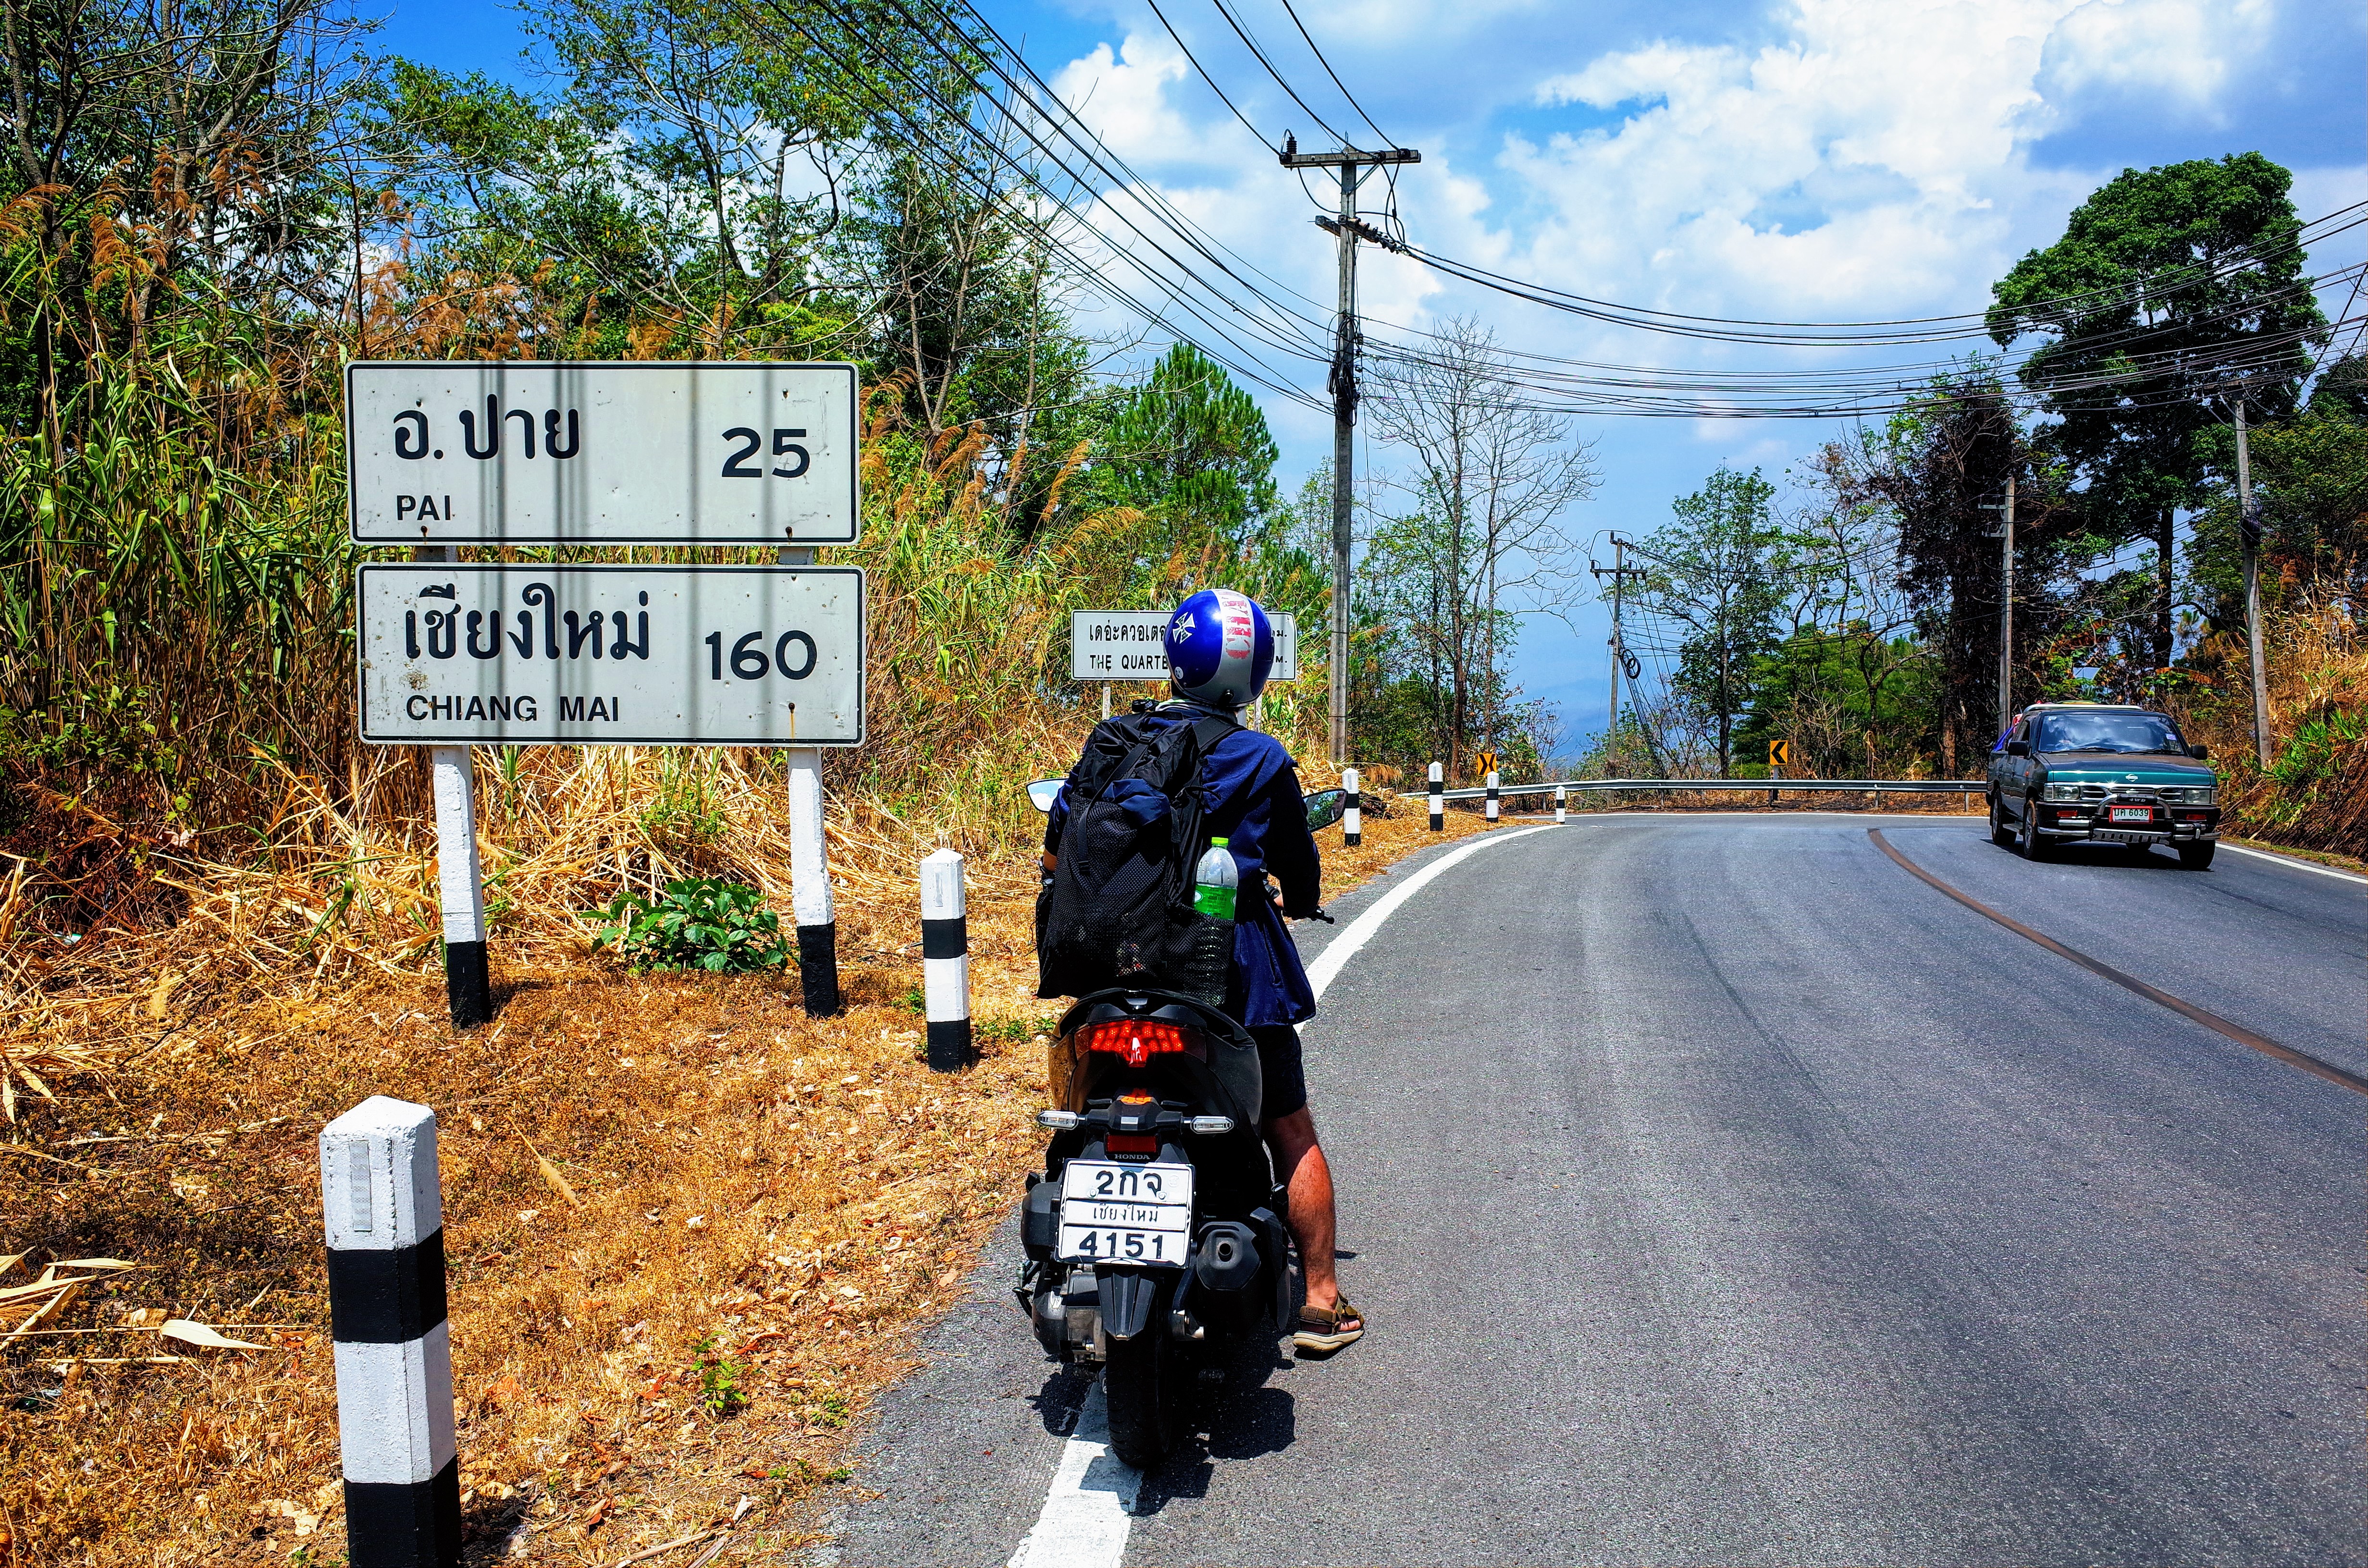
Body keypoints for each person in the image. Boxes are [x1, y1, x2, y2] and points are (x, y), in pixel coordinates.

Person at [1039, 587, 1364, 1354]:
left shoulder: (1114, 739)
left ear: (1177, 657)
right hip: (1235, 974)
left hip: (1115, 972)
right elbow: (1297, 862)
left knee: (1090, 1112)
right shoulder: (1259, 757)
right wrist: (1301, 895)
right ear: (1253, 675)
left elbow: (1058, 852)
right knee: (1288, 1125)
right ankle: (1320, 1299)